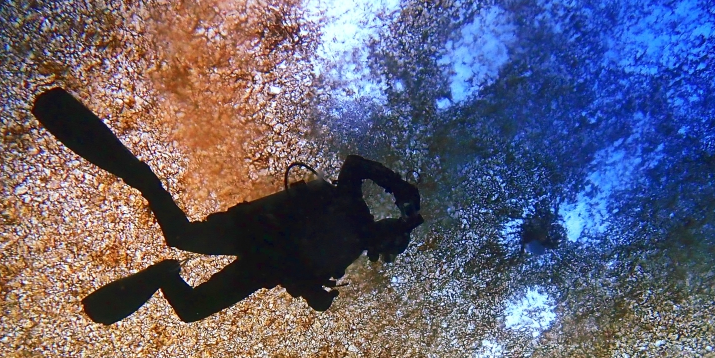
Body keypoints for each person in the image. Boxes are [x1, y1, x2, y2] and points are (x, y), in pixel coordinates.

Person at [31, 87, 423, 324]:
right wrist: (400, 186)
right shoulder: (351, 207)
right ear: (387, 232)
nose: (379, 253)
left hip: (259, 266)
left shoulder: (348, 252)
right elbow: (354, 165)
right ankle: (143, 177)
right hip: (254, 230)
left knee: (190, 309)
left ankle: (163, 276)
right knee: (181, 235)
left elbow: (296, 267)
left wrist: (312, 294)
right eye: (387, 246)